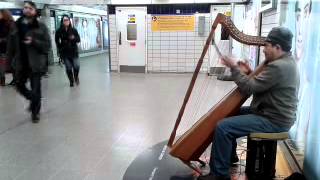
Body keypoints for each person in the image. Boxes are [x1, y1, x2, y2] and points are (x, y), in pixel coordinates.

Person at [198, 27, 300, 180]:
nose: (264, 50)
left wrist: (233, 67)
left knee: (223, 126)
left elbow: (248, 88)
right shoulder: (285, 61)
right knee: (228, 114)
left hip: (274, 120)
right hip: (269, 112)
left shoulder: (279, 66)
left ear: (278, 47)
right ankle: (229, 156)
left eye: (267, 46)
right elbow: (264, 84)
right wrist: (248, 72)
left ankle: (219, 175)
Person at [7, 1, 51, 123]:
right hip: (20, 63)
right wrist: (8, 64)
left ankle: (35, 113)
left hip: (36, 64)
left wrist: (34, 41)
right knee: (19, 85)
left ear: (35, 11)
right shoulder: (16, 25)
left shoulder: (41, 26)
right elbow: (10, 46)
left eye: (30, 8)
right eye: (25, 8)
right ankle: (34, 99)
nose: (26, 10)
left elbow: (47, 46)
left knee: (36, 87)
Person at [55, 15, 81, 87]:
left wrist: (73, 38)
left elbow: (78, 39)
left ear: (69, 21)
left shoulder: (73, 30)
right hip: (65, 52)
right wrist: (59, 49)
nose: (66, 21)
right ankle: (71, 81)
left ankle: (76, 77)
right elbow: (57, 41)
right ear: (62, 21)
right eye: (64, 20)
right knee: (68, 67)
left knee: (76, 66)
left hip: (74, 51)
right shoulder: (59, 31)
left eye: (67, 20)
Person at [0, 9, 14, 86]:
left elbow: (12, 36)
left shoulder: (10, 24)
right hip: (2, 48)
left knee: (4, 65)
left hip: (7, 48)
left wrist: (2, 39)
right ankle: (2, 80)